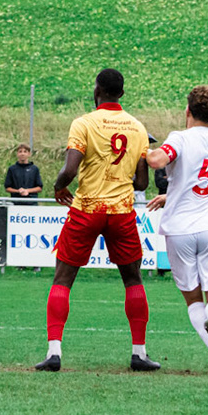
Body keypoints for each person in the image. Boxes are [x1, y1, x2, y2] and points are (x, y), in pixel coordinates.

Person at [39, 68, 155, 373]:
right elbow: (142, 183)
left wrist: (58, 185)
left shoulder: (84, 123)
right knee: (132, 279)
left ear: (96, 90)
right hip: (120, 212)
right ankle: (139, 354)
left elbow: (70, 169)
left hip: (87, 209)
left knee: (63, 278)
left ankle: (54, 352)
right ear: (122, 94)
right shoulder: (138, 127)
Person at [145, 85, 208, 372]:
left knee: (193, 299)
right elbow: (205, 188)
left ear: (187, 111)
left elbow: (158, 160)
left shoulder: (180, 138)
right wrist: (173, 194)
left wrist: (142, 148)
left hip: (180, 230)